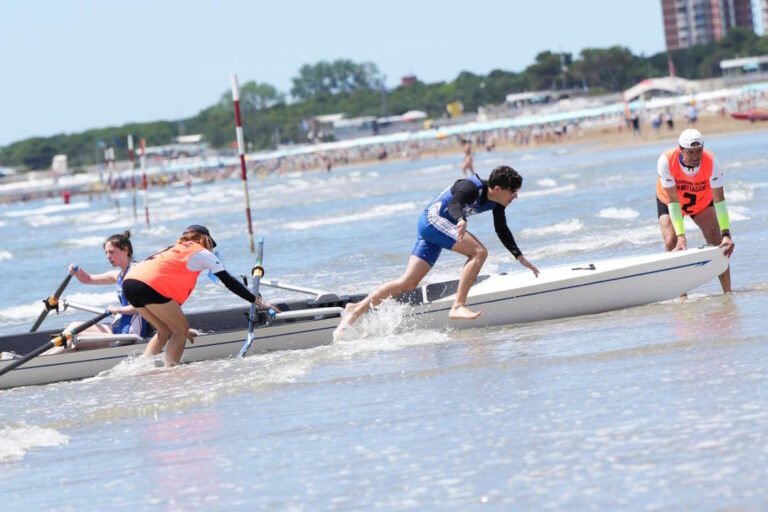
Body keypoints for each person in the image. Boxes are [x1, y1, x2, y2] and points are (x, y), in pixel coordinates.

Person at [341, 165, 540, 328]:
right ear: (498, 189)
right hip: (432, 221)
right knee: (479, 252)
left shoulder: (497, 203)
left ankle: (356, 309)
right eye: (513, 192)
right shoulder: (470, 186)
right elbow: (455, 203)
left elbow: (502, 229)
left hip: (434, 228)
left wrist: (519, 257)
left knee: (408, 283)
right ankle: (458, 306)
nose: (515, 196)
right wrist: (461, 219)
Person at [123, 225, 279, 367]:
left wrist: (178, 324)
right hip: (146, 285)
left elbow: (165, 294)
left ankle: (142, 369)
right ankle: (170, 373)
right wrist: (258, 302)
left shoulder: (171, 250)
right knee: (179, 330)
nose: (211, 248)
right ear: (205, 240)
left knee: (163, 330)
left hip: (129, 284)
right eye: (211, 244)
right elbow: (230, 282)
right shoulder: (202, 252)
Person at [656, 129, 734, 293]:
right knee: (671, 241)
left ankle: (728, 294)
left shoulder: (712, 162)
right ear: (680, 149)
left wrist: (726, 234)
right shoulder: (666, 161)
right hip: (670, 200)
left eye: (699, 151)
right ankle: (681, 294)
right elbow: (673, 201)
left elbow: (719, 201)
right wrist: (681, 236)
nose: (695, 157)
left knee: (716, 237)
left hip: (700, 201)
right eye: (690, 152)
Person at [46, 231, 149, 355]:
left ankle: (41, 361)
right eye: (106, 253)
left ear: (125, 250)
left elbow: (142, 306)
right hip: (119, 329)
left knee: (75, 335)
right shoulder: (119, 275)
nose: (107, 256)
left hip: (130, 335)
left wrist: (118, 309)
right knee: (74, 326)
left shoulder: (136, 272)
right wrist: (78, 271)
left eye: (111, 252)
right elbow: (88, 279)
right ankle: (45, 356)